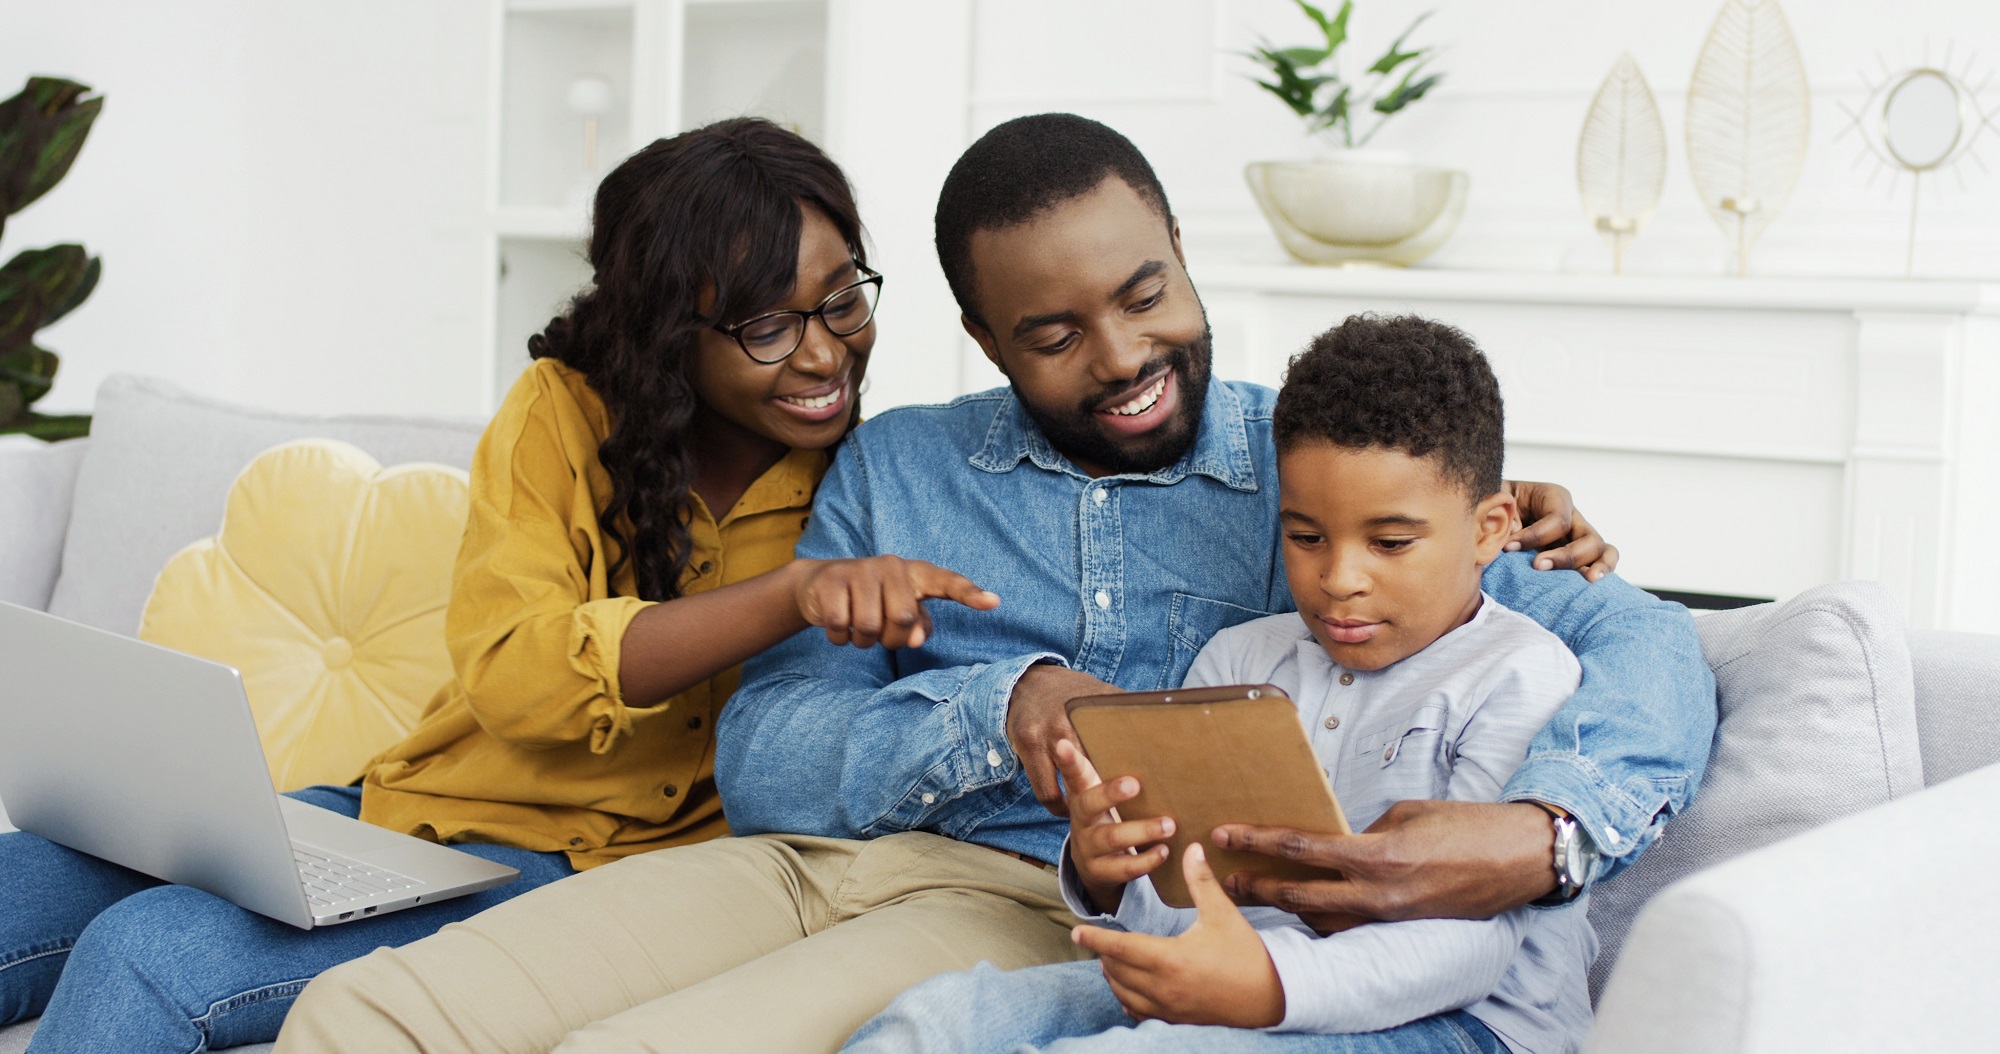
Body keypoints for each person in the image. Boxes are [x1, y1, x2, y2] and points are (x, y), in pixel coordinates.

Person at [275, 114, 1713, 1054]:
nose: (1123, 358)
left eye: (1146, 293)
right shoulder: (898, 466)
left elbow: (1651, 646)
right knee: (359, 1017)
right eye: (1054, 331)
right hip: (790, 860)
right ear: (976, 333)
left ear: (1181, 257)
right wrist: (999, 703)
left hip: (1026, 898)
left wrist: (1550, 832)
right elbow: (769, 755)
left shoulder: (1320, 477)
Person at [0, 117, 997, 1053]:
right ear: (671, 332)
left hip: (574, 882)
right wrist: (786, 595)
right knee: (18, 884)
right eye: (765, 326)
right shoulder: (562, 414)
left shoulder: (869, 485)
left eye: (840, 302)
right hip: (415, 809)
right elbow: (519, 678)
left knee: (147, 951)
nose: (824, 351)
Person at [845, 313, 1599, 1054]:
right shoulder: (1239, 662)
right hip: (1231, 987)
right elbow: (1176, 914)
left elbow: (1469, 947)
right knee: (935, 1023)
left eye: (1390, 542)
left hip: (1460, 1022)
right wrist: (1110, 875)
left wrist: (1265, 986)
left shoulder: (1519, 673)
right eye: (1305, 537)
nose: (1340, 580)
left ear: (1491, 528)